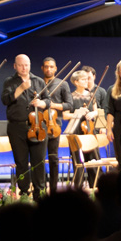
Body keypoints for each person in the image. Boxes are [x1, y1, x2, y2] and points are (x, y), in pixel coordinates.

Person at [0, 55, 47, 196]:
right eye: (20, 65)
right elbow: (5, 100)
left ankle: (40, 193)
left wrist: (42, 103)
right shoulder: (9, 81)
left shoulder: (38, 81)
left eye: (26, 65)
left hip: (37, 126)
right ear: (15, 66)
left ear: (30, 65)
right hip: (17, 127)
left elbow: (48, 100)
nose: (24, 68)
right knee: (21, 162)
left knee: (38, 162)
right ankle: (24, 192)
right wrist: (20, 88)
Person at [36, 57, 72, 194]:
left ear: (56, 68)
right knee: (38, 158)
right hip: (38, 124)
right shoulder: (37, 83)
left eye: (51, 67)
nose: (49, 69)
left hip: (54, 125)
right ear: (42, 68)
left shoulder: (62, 84)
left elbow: (69, 105)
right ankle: (40, 189)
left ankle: (54, 189)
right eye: (46, 66)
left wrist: (52, 105)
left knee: (53, 157)